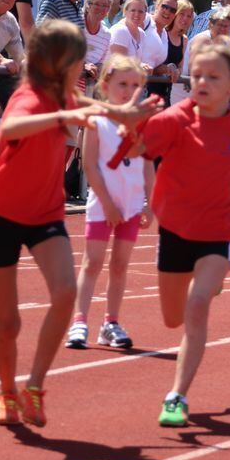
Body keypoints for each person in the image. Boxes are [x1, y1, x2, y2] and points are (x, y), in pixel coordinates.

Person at [0, 20, 159, 426]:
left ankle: (34, 388)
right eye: (80, 59)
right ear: (59, 62)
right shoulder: (29, 98)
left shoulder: (64, 97)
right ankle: (7, 393)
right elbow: (14, 127)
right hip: (2, 213)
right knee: (9, 322)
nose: (86, 65)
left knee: (65, 292)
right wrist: (63, 115)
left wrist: (119, 111)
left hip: (44, 213)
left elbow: (91, 105)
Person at [115, 39, 230, 427]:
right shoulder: (173, 120)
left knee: (198, 305)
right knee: (172, 319)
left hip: (218, 228)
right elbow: (131, 153)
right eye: (197, 74)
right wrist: (129, 122)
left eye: (213, 76)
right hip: (174, 230)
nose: (201, 81)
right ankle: (201, 285)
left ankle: (176, 395)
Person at [66, 54, 155, 350]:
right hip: (103, 203)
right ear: (105, 85)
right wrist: (108, 203)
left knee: (120, 265)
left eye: (133, 84)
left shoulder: (142, 123)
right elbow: (90, 166)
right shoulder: (96, 121)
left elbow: (147, 165)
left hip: (131, 204)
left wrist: (149, 202)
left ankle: (110, 323)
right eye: (122, 84)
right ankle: (79, 322)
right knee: (92, 263)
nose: (128, 90)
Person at [145, 0, 188, 106]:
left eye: (173, 10)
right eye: (165, 6)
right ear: (156, 6)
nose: (168, 11)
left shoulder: (164, 34)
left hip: (148, 92)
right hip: (129, 84)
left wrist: (168, 68)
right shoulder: (145, 20)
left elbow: (154, 68)